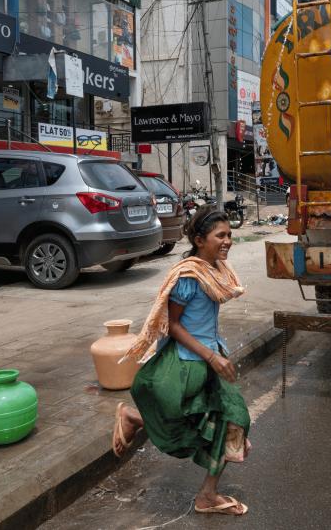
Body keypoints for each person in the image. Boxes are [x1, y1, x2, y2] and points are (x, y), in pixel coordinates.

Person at [112, 208, 251, 515]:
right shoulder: (189, 276)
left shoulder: (215, 271)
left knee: (234, 421)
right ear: (200, 240)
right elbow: (173, 326)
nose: (228, 241)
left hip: (210, 359)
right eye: (221, 236)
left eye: (229, 235)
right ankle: (206, 494)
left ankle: (207, 494)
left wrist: (216, 354)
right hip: (191, 362)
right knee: (199, 424)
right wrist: (211, 356)